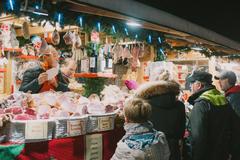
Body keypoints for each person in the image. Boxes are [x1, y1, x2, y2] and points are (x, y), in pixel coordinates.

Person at [134, 70, 186, 160]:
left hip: (150, 148)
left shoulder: (145, 104)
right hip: (172, 149)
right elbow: (180, 133)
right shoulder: (179, 105)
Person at [186, 70, 232, 160]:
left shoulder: (201, 103)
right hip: (222, 153)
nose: (190, 87)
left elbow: (198, 137)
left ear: (198, 85)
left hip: (206, 155)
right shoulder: (222, 98)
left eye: (191, 83)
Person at [215, 70, 240, 160]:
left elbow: (235, 122)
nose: (219, 82)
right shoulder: (232, 95)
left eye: (221, 79)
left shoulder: (234, 97)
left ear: (228, 80)